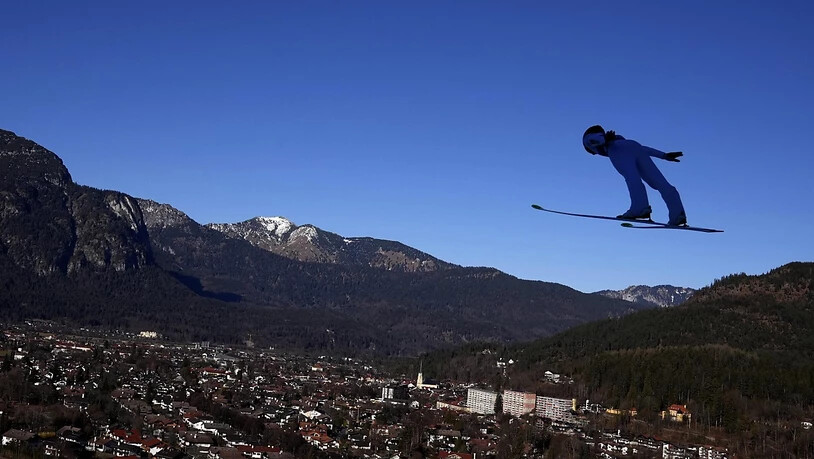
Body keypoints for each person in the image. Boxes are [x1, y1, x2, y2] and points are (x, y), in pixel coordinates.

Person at [582, 125, 687, 226]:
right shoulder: (623, 141)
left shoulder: (589, 141)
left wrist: (605, 139)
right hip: (634, 145)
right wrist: (663, 155)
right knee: (659, 182)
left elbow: (594, 139)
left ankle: (640, 208)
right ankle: (677, 214)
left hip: (617, 150)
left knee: (632, 178)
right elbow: (642, 149)